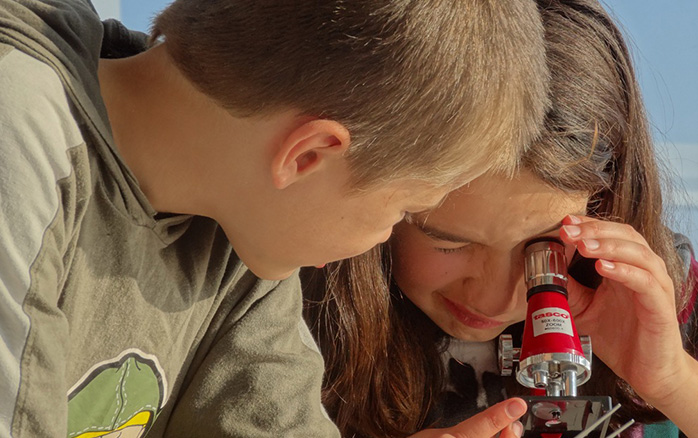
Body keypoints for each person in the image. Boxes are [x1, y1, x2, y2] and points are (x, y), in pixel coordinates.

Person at [0, 0, 553, 436]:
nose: (381, 239)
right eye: (403, 209)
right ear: (308, 156)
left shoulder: (241, 227)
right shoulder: (20, 130)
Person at [303, 0, 698, 437]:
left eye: (542, 250)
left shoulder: (663, 290)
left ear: (604, 202)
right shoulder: (290, 296)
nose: (493, 300)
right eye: (449, 242)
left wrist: (674, 380)